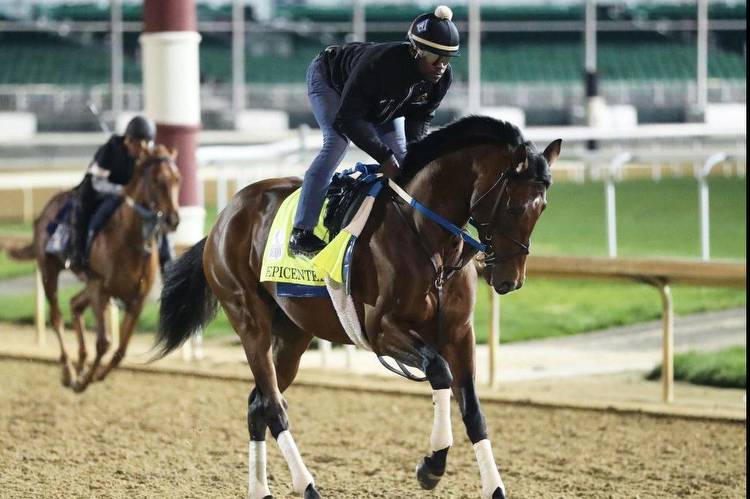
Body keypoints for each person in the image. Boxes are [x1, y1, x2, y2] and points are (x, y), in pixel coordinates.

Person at [289, 5, 459, 257]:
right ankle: (301, 232)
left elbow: (418, 122)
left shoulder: (441, 80)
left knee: (407, 160)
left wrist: (413, 158)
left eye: (446, 59)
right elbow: (348, 119)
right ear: (415, 50)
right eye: (435, 58)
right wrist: (383, 156)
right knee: (336, 143)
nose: (441, 66)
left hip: (382, 104)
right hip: (332, 81)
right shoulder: (379, 66)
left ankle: (410, 230)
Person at [69, 115, 157, 270]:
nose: (144, 151)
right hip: (96, 189)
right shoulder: (109, 151)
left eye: (147, 145)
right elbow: (98, 182)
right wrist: (118, 190)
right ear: (128, 141)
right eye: (140, 145)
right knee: (82, 212)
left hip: (123, 194)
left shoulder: (143, 155)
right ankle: (79, 255)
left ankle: (166, 260)